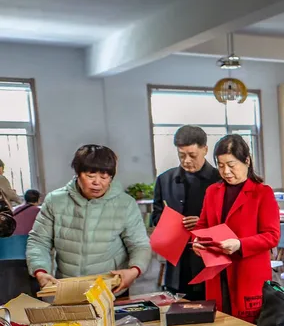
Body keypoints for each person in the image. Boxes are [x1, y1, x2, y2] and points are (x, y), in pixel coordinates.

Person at [26, 145, 151, 293]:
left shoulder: (125, 204)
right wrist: (40, 270)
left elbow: (139, 245)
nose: (97, 182)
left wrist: (134, 270)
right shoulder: (55, 201)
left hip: (111, 289)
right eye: (90, 176)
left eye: (104, 177)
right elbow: (39, 241)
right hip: (69, 288)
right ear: (78, 173)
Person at [192, 135, 279, 323]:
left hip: (247, 273)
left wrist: (240, 244)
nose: (226, 171)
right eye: (221, 165)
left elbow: (272, 236)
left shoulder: (262, 193)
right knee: (219, 323)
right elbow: (202, 225)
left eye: (231, 165)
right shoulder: (212, 192)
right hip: (217, 272)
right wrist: (197, 242)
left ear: (246, 161)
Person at [152, 125, 220, 301]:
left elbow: (230, 221)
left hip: (210, 263)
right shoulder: (165, 180)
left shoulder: (219, 180)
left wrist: (203, 222)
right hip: (177, 265)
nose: (187, 161)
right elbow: (155, 216)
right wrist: (170, 222)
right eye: (181, 155)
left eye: (192, 155)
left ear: (205, 150)